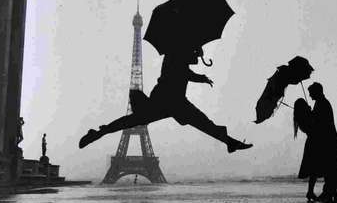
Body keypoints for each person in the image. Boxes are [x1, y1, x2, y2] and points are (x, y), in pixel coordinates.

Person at [79, 46, 253, 153]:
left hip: (169, 101)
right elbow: (183, 72)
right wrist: (201, 74)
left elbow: (185, 70)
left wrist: (199, 65)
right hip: (169, 101)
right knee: (203, 122)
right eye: (193, 51)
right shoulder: (176, 55)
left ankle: (99, 132)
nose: (195, 54)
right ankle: (229, 142)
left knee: (131, 121)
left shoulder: (177, 54)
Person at [307, 82, 337, 202]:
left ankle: (331, 192)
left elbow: (320, 123)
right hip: (330, 139)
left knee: (332, 166)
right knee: (333, 166)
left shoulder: (322, 104)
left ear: (317, 92)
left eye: (311, 93)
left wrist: (311, 115)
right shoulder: (321, 103)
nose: (310, 96)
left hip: (328, 140)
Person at [293, 98, 320, 201]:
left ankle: (310, 192)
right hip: (314, 143)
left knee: (314, 170)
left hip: (311, 143)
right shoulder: (304, 118)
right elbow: (314, 125)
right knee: (314, 170)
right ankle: (310, 192)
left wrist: (309, 112)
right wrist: (310, 112)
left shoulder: (299, 118)